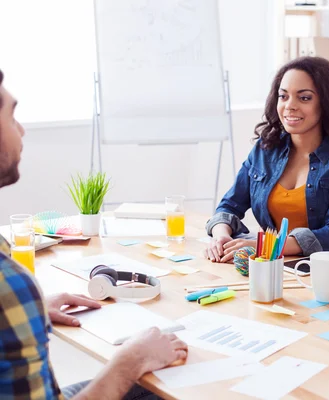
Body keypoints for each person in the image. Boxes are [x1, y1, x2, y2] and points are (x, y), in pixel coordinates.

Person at [0, 69, 188, 399]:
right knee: (164, 385)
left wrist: (33, 309)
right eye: (11, 115)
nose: (21, 130)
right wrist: (130, 361)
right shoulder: (8, 285)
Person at [204, 57, 329, 263]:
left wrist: (267, 246)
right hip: (276, 265)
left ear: (327, 102)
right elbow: (229, 206)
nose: (289, 106)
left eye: (304, 98)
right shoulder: (265, 149)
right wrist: (221, 237)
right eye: (283, 96)